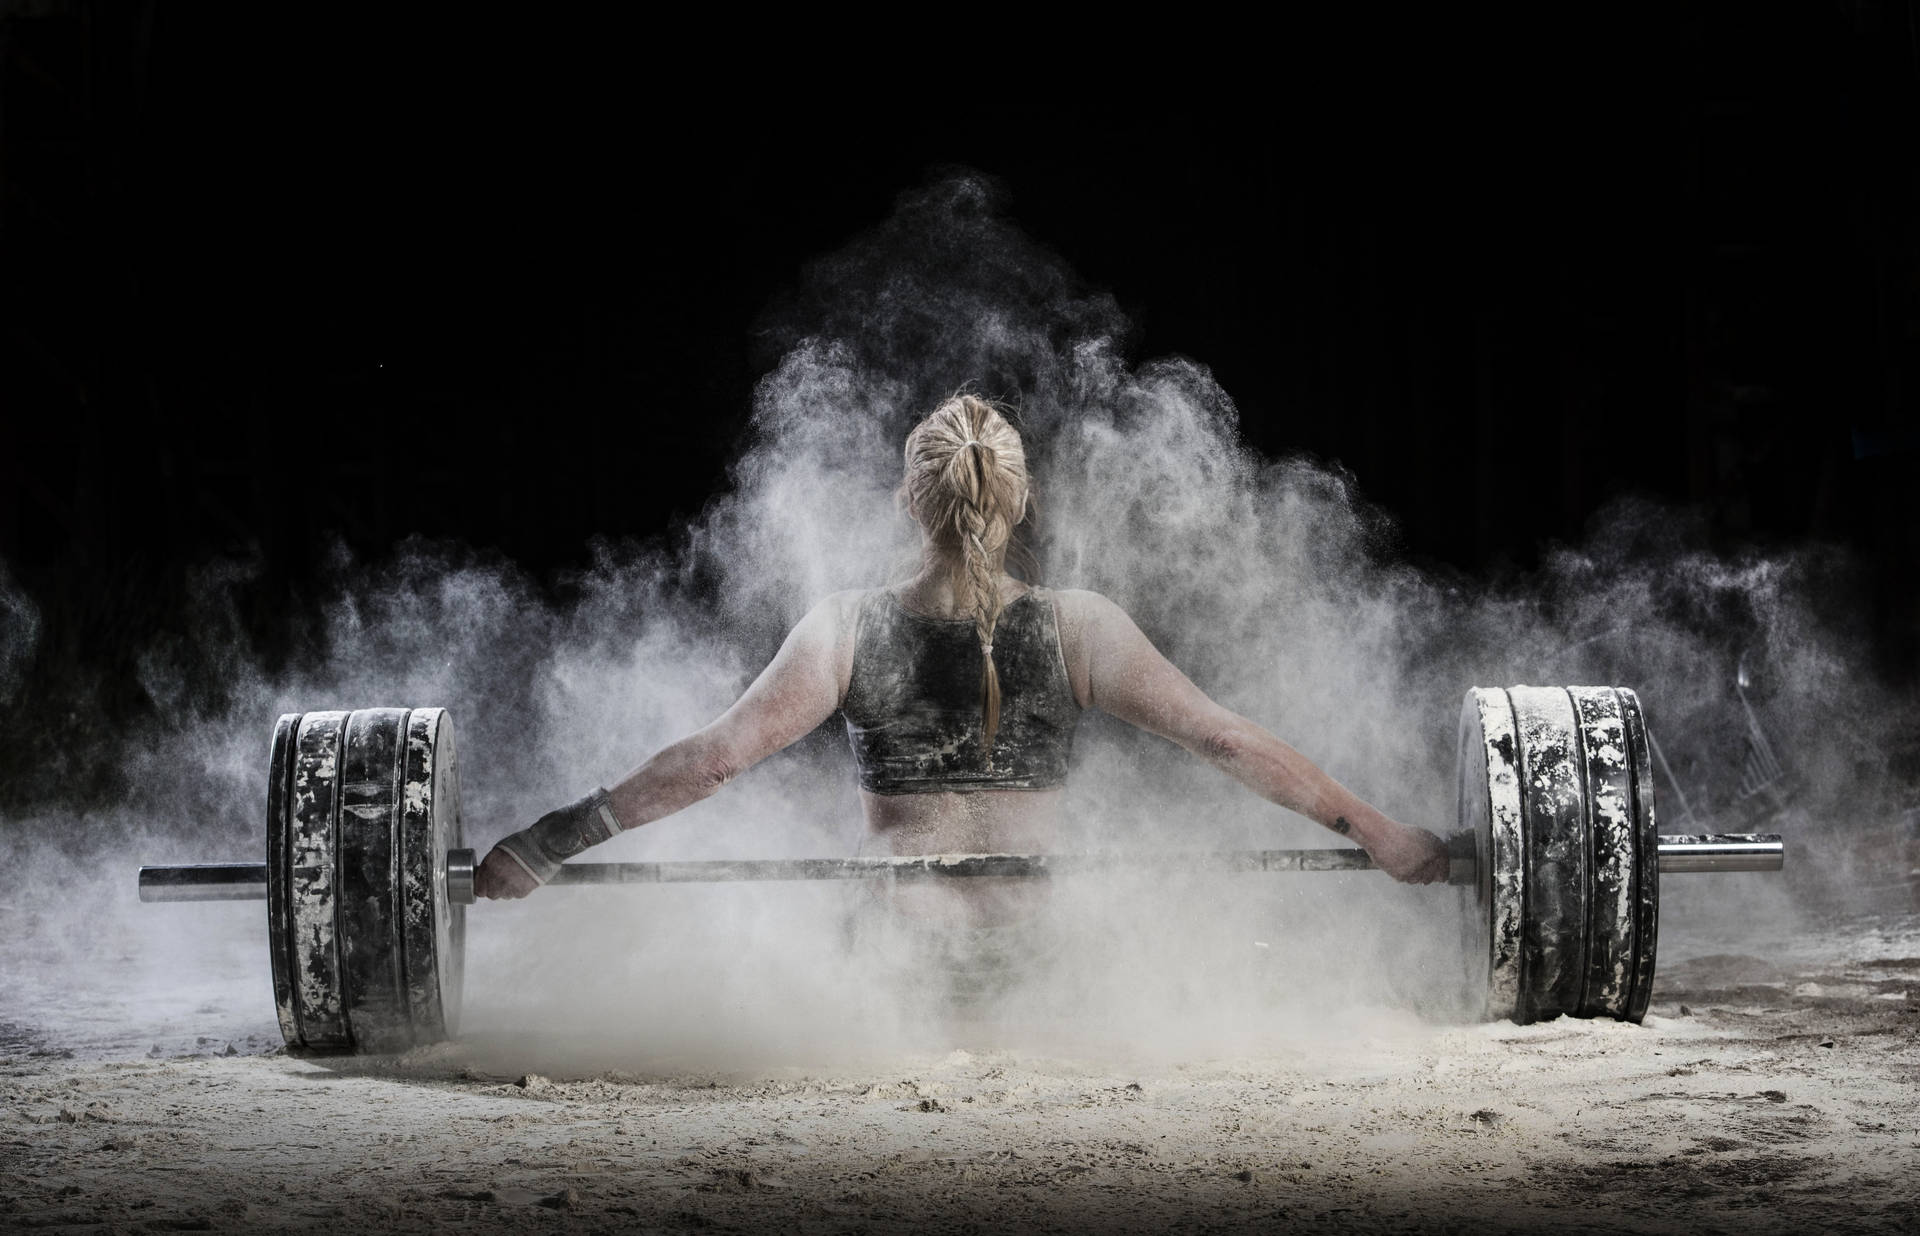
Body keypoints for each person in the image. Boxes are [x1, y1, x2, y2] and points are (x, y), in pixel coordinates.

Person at [475, 395, 1450, 910]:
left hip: (901, 965)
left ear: (909, 500)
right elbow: (1227, 743)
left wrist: (548, 841)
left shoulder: (845, 626)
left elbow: (716, 761)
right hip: (1040, 968)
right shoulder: (1082, 625)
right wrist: (1378, 831)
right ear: (1020, 501)